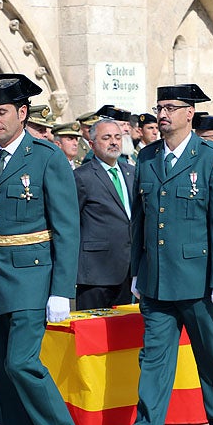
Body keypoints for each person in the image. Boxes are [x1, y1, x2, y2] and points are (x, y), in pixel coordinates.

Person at [103, 83, 213, 425]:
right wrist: (137, 271)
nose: (162, 115)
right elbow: (141, 220)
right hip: (156, 277)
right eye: (159, 107)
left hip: (199, 279)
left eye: (170, 108)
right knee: (153, 357)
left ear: (189, 114)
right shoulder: (147, 158)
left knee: (211, 354)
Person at [0, 73, 80, 425]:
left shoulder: (46, 157)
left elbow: (67, 228)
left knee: (21, 362)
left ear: (22, 112)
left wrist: (62, 290)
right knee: (3, 374)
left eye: (1, 112)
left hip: (35, 276)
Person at [73, 119, 135, 309]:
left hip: (128, 268)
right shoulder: (82, 176)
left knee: (124, 331)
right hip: (96, 273)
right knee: (93, 334)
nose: (114, 142)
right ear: (92, 144)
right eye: (106, 138)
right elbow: (72, 223)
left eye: (118, 137)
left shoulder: (131, 172)